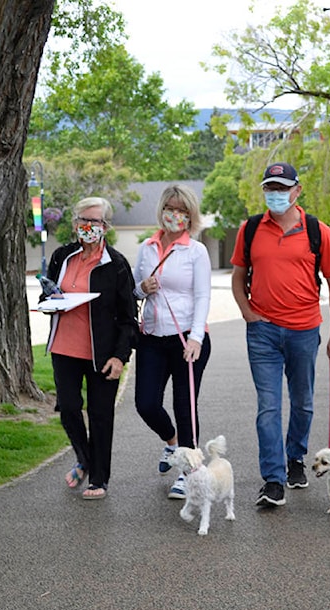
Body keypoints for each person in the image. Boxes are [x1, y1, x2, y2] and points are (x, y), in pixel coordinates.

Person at [230, 161, 330, 508]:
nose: (276, 194)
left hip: (304, 330)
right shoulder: (250, 229)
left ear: (297, 191)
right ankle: (273, 479)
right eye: (270, 188)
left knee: (303, 402)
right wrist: (247, 312)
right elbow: (238, 276)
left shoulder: (317, 230)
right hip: (262, 331)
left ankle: (296, 458)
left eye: (282, 188)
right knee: (268, 407)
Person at [41, 197, 138, 500]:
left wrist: (121, 356)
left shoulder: (117, 264)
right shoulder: (62, 256)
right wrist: (49, 302)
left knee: (100, 415)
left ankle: (99, 478)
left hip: (102, 353)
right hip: (64, 347)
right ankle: (84, 459)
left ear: (106, 227)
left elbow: (128, 318)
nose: (87, 226)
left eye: (94, 221)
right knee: (68, 408)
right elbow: (50, 293)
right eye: (82, 220)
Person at [132, 184, 212, 500]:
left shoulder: (196, 251)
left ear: (190, 216)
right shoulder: (147, 247)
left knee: (184, 406)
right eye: (170, 209)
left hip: (186, 342)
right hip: (151, 336)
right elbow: (135, 291)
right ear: (162, 210)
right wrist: (142, 288)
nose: (175, 215)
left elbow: (203, 295)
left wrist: (196, 338)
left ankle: (188, 473)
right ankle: (172, 443)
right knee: (146, 403)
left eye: (182, 211)